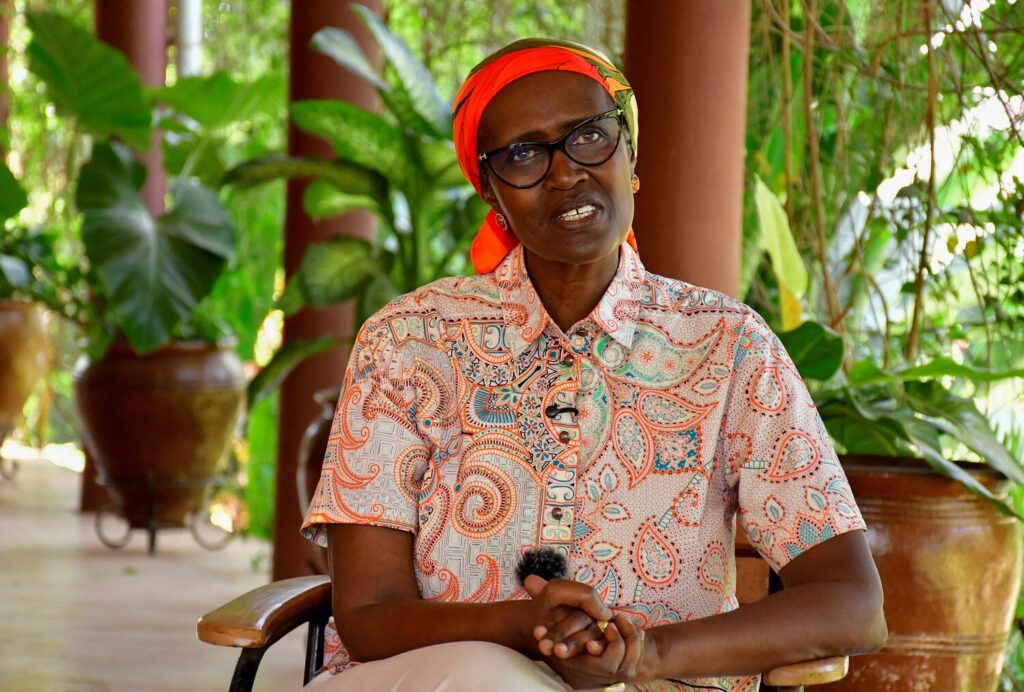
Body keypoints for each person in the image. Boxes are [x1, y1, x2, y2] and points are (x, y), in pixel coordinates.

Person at [301, 39, 886, 691]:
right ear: (492, 193)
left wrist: (646, 655)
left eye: (588, 137)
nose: (564, 174)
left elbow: (852, 602)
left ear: (629, 157)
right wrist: (522, 628)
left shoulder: (728, 347)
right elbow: (368, 615)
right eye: (523, 154)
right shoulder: (408, 342)